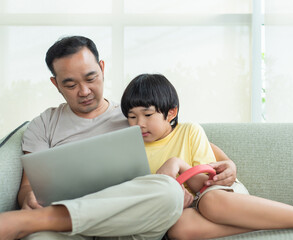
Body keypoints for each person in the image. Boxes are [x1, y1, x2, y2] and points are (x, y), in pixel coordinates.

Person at [0, 36, 186, 240]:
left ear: (102, 68)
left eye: (91, 79)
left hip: (125, 225)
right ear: (56, 84)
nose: (84, 91)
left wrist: (226, 164)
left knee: (170, 192)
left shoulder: (133, 115)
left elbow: (183, 138)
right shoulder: (43, 124)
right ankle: (47, 219)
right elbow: (28, 186)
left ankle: (40, 220)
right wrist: (28, 197)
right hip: (67, 232)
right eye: (71, 85)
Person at [120, 73, 293, 240]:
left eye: (147, 115)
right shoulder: (130, 148)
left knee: (210, 202)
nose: (139, 123)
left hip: (220, 195)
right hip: (189, 210)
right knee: (178, 229)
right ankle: (282, 215)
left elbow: (208, 182)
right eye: (132, 116)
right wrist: (172, 196)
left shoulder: (189, 131)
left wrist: (177, 165)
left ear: (171, 112)